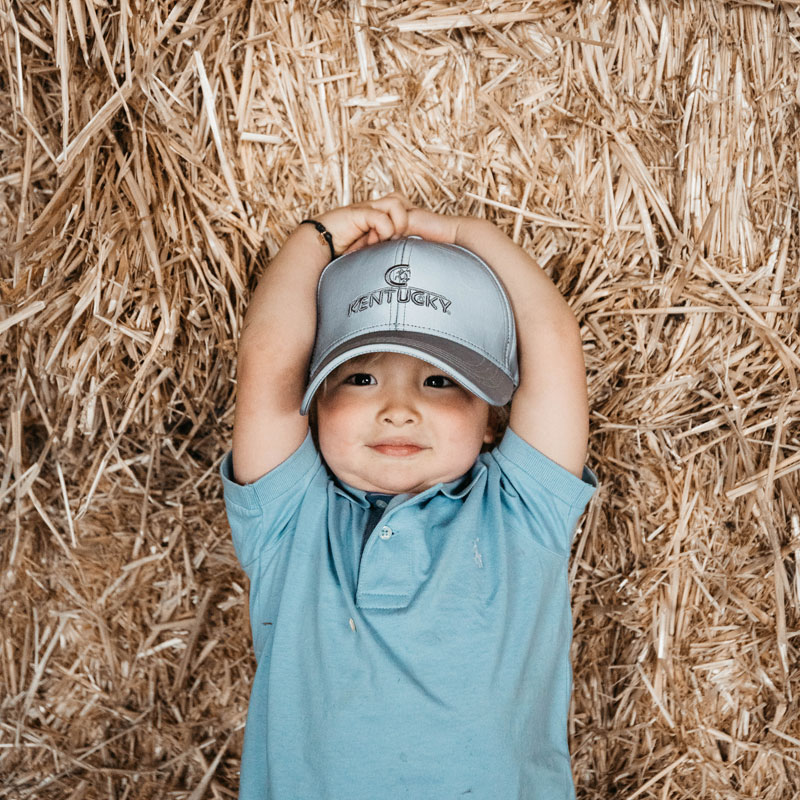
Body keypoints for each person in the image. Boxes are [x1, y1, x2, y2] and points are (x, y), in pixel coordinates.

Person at [220, 193, 597, 799]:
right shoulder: (288, 518)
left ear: (490, 419)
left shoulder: (524, 512)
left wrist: (467, 233)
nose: (398, 410)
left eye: (439, 381)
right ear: (313, 405)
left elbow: (554, 344)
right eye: (361, 378)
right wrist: (311, 240)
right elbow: (268, 361)